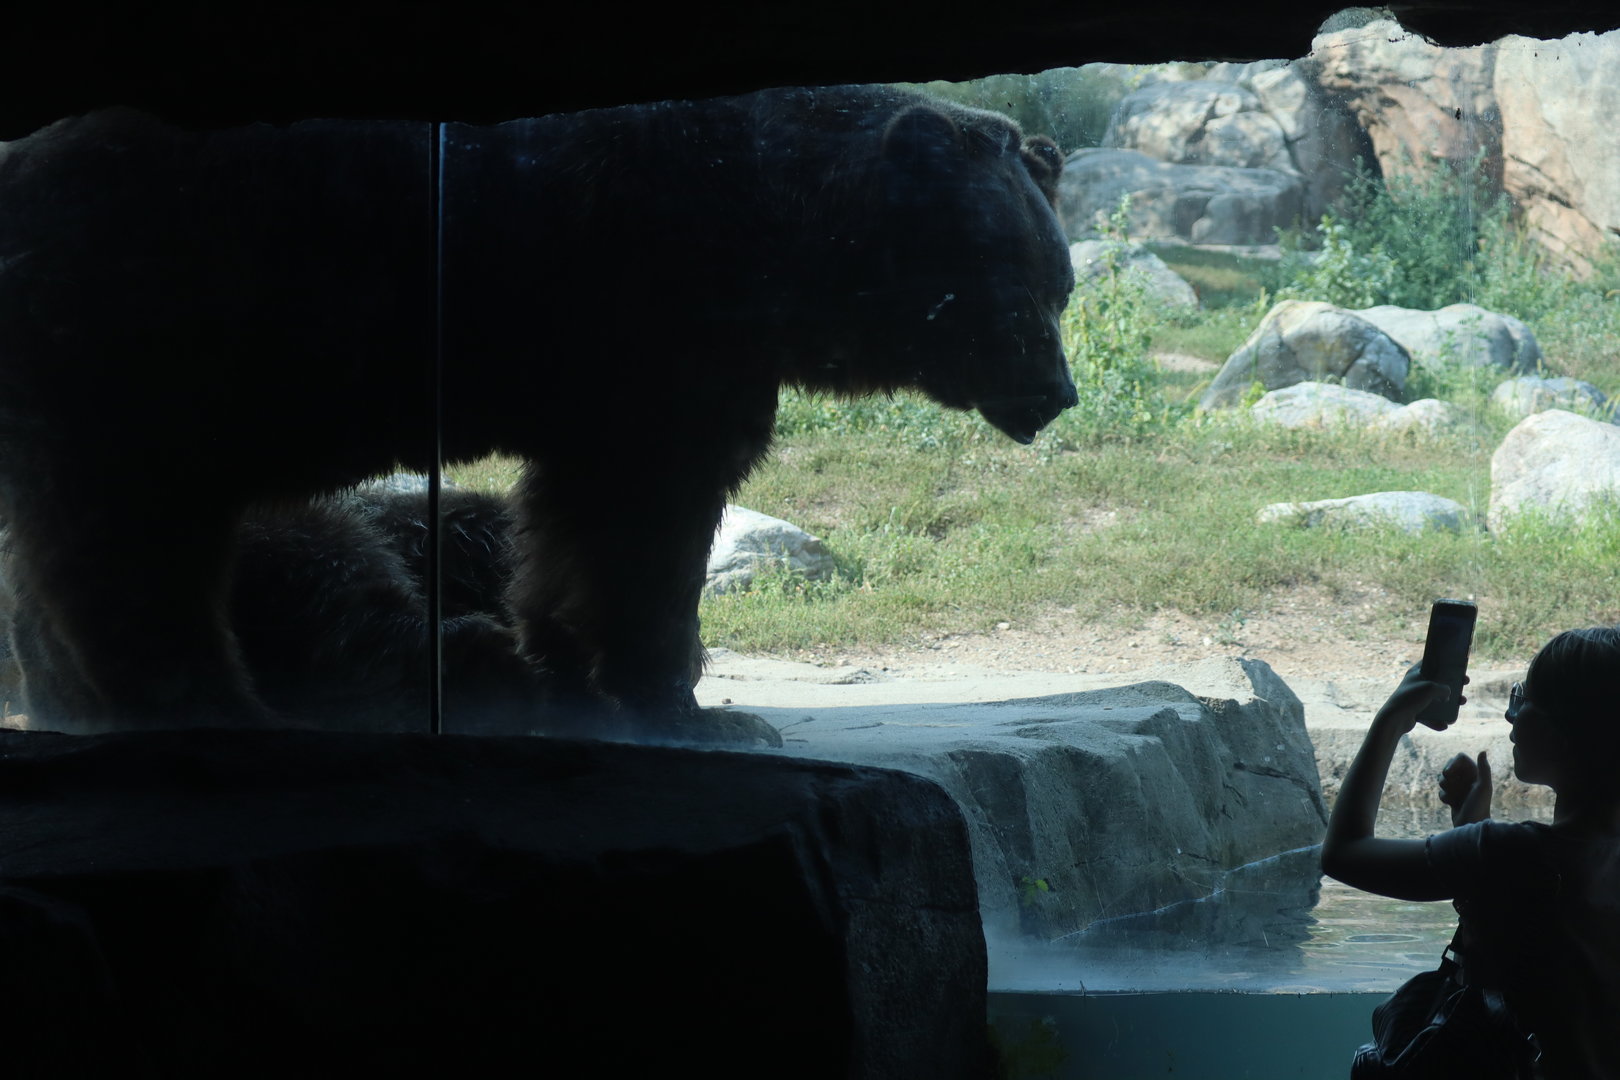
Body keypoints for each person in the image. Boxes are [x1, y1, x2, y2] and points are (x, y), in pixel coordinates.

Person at [1322, 627, 1620, 1079]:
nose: (1510, 714)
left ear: (1562, 732)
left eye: (1524, 698)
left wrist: (1391, 722)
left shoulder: (1503, 852)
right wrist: (1471, 831)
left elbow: (1344, 853)